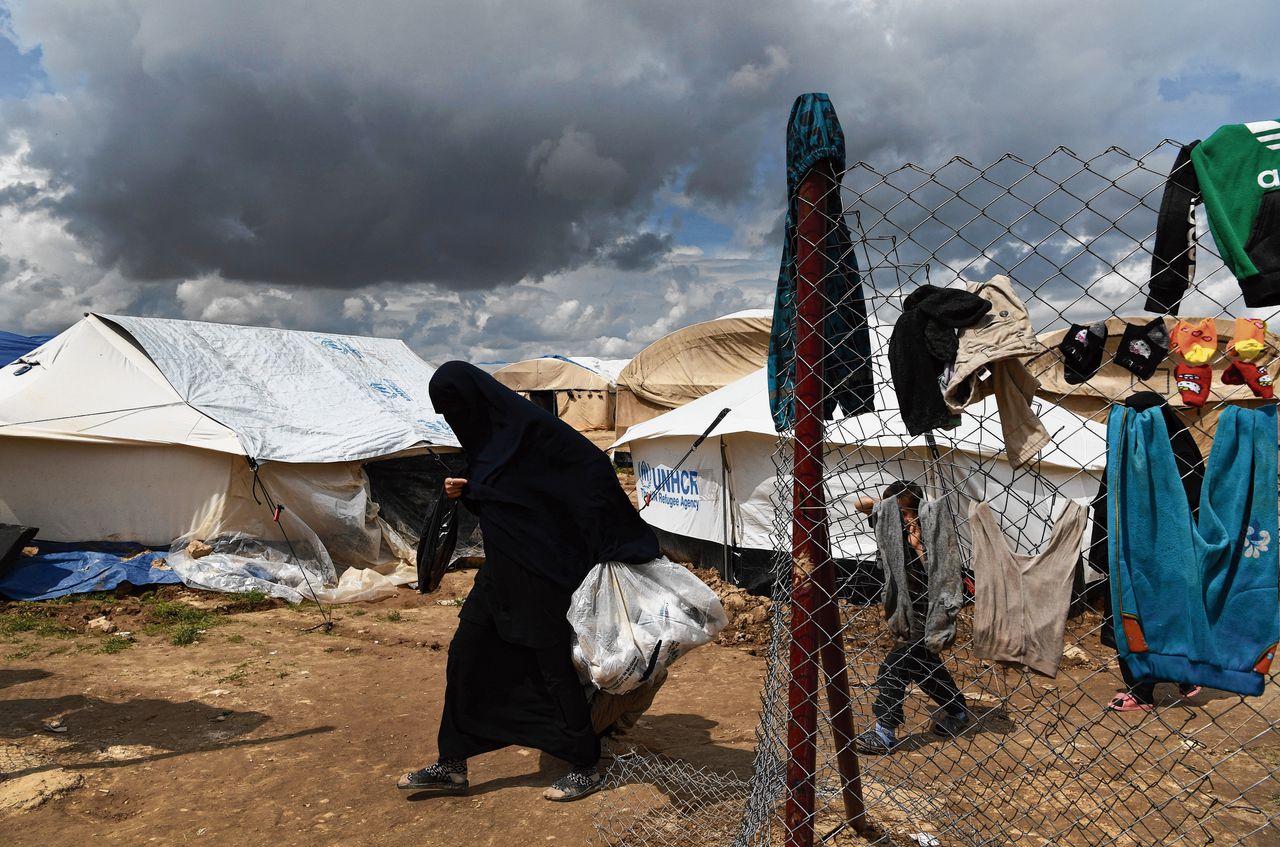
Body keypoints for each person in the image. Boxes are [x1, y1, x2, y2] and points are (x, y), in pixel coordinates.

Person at [397, 361, 659, 802]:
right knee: (466, 656)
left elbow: (588, 477)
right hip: (499, 574)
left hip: (543, 577)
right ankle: (452, 763)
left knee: (551, 670)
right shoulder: (487, 441)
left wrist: (620, 542)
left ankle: (583, 764)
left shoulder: (536, 434)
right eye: (446, 414)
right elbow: (505, 505)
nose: (455, 420)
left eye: (457, 409)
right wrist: (468, 494)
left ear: (478, 400)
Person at [852, 481, 969, 754]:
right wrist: (891, 510)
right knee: (922, 667)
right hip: (902, 611)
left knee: (893, 669)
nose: (905, 520)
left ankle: (885, 733)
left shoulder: (930, 530)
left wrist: (917, 543)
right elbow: (859, 504)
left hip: (926, 613)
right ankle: (957, 709)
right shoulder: (888, 526)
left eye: (909, 513)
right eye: (901, 514)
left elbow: (939, 574)